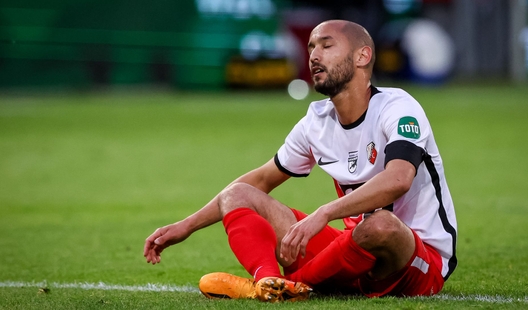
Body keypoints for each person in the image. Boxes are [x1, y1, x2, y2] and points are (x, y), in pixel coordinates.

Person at [143, 19, 457, 302]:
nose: (314, 55)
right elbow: (261, 181)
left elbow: (399, 178)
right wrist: (186, 226)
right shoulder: (316, 121)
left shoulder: (399, 107)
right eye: (311, 47)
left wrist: (324, 213)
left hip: (416, 260)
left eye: (326, 45)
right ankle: (267, 281)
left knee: (381, 227)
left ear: (362, 57)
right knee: (237, 193)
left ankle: (291, 284)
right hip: (350, 255)